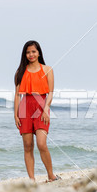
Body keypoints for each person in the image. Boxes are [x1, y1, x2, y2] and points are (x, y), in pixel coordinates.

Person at [14, 40, 61, 183]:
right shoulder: (20, 72)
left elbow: (51, 93)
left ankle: (51, 175)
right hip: (24, 108)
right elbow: (17, 95)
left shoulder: (47, 70)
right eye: (28, 52)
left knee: (41, 144)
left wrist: (46, 109)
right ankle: (31, 180)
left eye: (33, 51)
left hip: (41, 107)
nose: (31, 54)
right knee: (28, 146)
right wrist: (15, 115)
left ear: (39, 52)